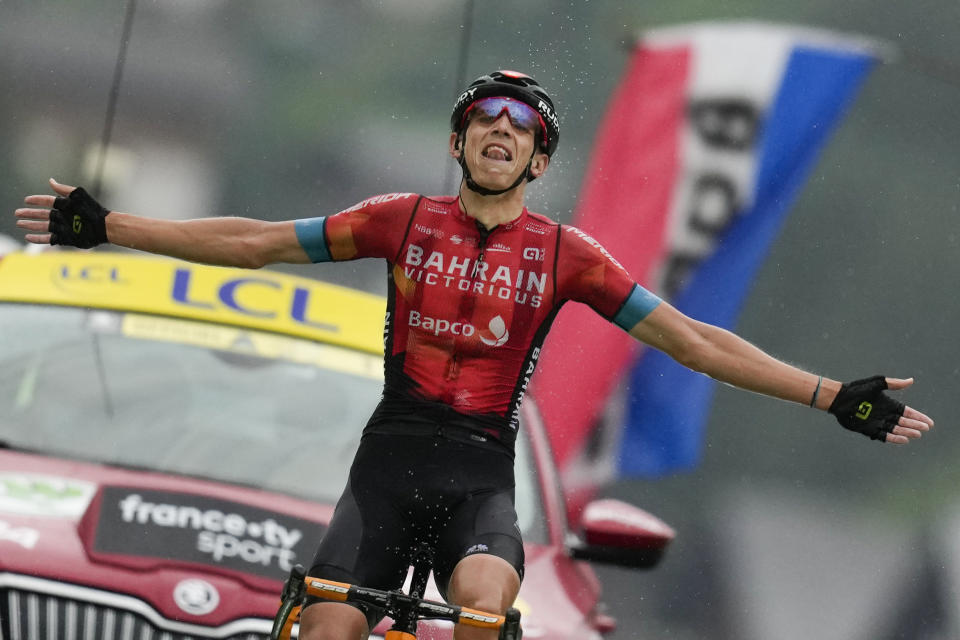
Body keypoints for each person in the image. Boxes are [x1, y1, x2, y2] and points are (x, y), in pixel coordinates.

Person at [14, 70, 933, 640]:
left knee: (489, 599)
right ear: (458, 142)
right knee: (329, 622)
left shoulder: (567, 255)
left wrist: (828, 396)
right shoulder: (398, 221)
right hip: (387, 465)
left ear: (537, 161)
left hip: (480, 476)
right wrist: (109, 226)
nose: (501, 130)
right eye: (485, 119)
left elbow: (691, 341)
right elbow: (254, 242)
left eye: (522, 126)